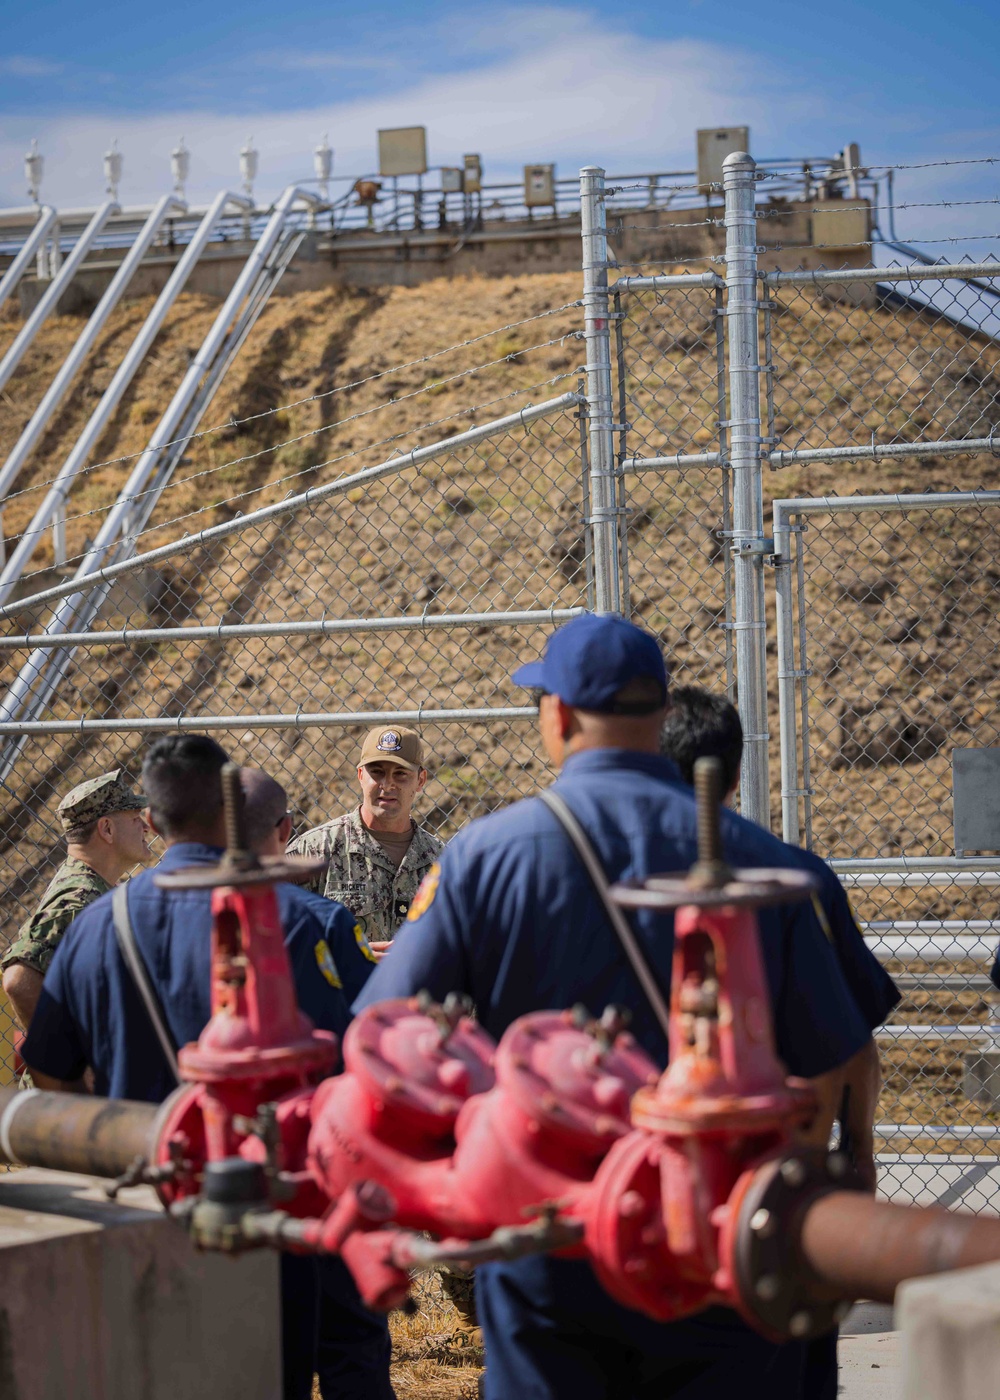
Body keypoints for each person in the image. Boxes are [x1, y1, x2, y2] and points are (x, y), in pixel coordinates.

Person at [355, 613, 878, 1400]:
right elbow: (830, 1057)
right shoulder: (765, 864)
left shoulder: (489, 855)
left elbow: (383, 1031)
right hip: (720, 1244)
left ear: (558, 716)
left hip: (547, 1244)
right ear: (663, 717)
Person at [22, 736, 392, 1400]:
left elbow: (49, 1073)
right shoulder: (304, 919)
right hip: (280, 1220)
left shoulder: (100, 926)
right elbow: (363, 1069)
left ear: (156, 824)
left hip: (145, 1213)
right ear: (231, 808)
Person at [659, 684, 900, 1191]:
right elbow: (852, 1039)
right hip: (774, 1157)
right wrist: (857, 1150)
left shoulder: (620, 874)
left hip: (652, 1140)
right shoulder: (800, 875)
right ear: (738, 772)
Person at [2, 768, 151, 1037]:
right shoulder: (79, 898)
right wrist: (66, 1065)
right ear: (107, 829)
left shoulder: (91, 885)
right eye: (134, 818)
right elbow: (18, 979)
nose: (146, 826)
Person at [287, 725, 441, 951]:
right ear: (360, 776)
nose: (387, 784)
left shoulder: (441, 862)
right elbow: (274, 934)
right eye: (377, 772)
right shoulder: (314, 851)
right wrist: (349, 956)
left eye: (401, 774)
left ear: (420, 781)